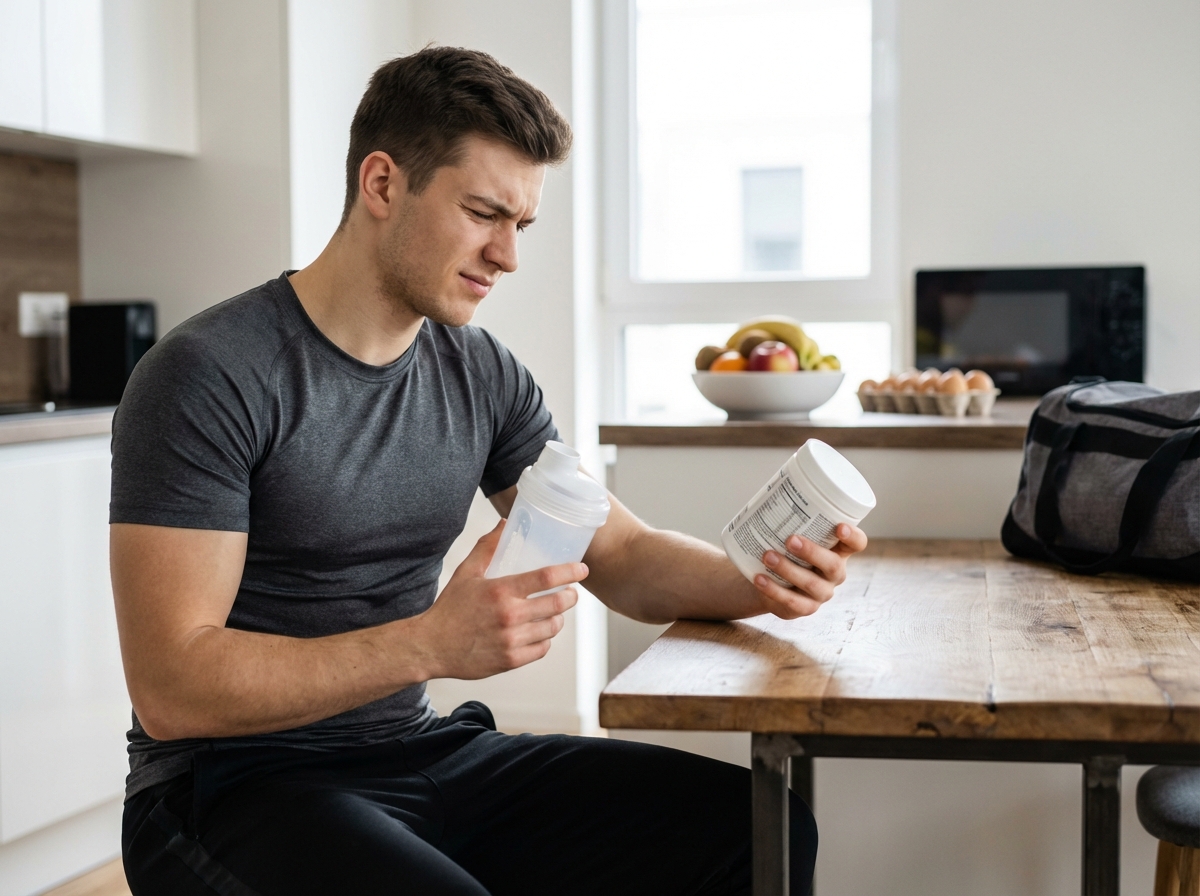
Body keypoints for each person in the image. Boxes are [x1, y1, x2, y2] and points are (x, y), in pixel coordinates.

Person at [111, 47, 867, 895]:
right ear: (383, 183)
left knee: (754, 828)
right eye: (483, 213)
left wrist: (759, 577)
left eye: (522, 225)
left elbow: (619, 553)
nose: (507, 255)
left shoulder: (478, 371)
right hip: (232, 787)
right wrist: (430, 642)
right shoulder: (209, 374)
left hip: (417, 750)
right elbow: (171, 685)